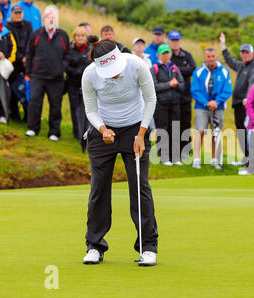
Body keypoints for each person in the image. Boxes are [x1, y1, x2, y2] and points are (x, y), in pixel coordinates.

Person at [81, 35, 158, 266]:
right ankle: (94, 246)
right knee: (99, 188)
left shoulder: (136, 65)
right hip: (102, 130)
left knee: (139, 186)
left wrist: (142, 134)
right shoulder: (89, 74)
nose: (114, 75)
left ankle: (148, 247)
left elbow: (151, 99)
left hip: (135, 127)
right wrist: (103, 129)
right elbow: (91, 110)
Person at [25, 5, 69, 141]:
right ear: (43, 18)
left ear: (57, 19)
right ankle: (32, 128)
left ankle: (54, 132)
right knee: (34, 103)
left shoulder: (63, 35)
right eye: (48, 16)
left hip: (56, 78)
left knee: (55, 105)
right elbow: (29, 54)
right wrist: (28, 72)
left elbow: (67, 55)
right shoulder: (36, 34)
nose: (50, 19)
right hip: (37, 76)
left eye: (53, 17)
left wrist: (62, 68)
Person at [219, 32, 254, 167]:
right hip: (238, 104)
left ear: (252, 54)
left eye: (247, 52)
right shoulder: (242, 65)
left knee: (249, 133)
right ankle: (247, 156)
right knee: (241, 131)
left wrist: (247, 98)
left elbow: (253, 83)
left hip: (247, 105)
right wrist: (223, 46)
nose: (244, 54)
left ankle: (253, 160)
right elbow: (230, 61)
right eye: (243, 52)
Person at [190, 48, 232, 170]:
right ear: (205, 58)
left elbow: (227, 90)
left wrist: (216, 101)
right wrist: (206, 102)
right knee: (200, 131)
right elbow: (195, 90)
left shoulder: (224, 71)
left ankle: (215, 159)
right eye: (208, 56)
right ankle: (196, 159)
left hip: (218, 107)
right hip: (201, 106)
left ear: (216, 57)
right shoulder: (198, 72)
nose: (211, 59)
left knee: (216, 132)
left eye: (213, 56)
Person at [150, 43, 184, 166]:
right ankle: (164, 157)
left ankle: (175, 157)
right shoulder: (154, 68)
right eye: (163, 53)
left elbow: (182, 84)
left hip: (175, 103)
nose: (165, 55)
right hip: (161, 104)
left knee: (175, 128)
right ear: (159, 55)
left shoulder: (174, 68)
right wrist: (169, 84)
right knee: (162, 130)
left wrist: (176, 84)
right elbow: (154, 86)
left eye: (167, 53)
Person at [168, 30, 196, 160]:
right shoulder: (167, 54)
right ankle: (172, 150)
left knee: (185, 123)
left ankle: (185, 150)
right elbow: (168, 70)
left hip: (185, 96)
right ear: (169, 41)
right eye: (172, 40)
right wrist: (182, 70)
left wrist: (177, 69)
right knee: (173, 124)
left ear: (179, 41)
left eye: (176, 40)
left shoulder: (187, 55)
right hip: (172, 97)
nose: (175, 43)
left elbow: (192, 70)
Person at [64, 26, 91, 151]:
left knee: (86, 111)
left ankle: (86, 134)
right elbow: (65, 64)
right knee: (74, 109)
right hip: (73, 84)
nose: (80, 38)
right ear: (74, 37)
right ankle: (77, 134)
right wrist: (76, 71)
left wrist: (82, 68)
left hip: (87, 86)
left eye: (83, 36)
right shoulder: (70, 50)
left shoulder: (90, 50)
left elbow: (91, 64)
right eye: (78, 36)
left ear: (86, 38)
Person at [6, 4, 32, 122]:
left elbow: (30, 42)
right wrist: (21, 57)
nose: (18, 15)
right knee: (13, 89)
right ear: (11, 14)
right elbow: (9, 45)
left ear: (22, 14)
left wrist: (27, 56)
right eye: (15, 13)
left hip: (27, 62)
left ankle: (28, 114)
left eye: (19, 13)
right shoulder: (7, 27)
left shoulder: (28, 25)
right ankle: (14, 113)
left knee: (26, 89)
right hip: (14, 62)